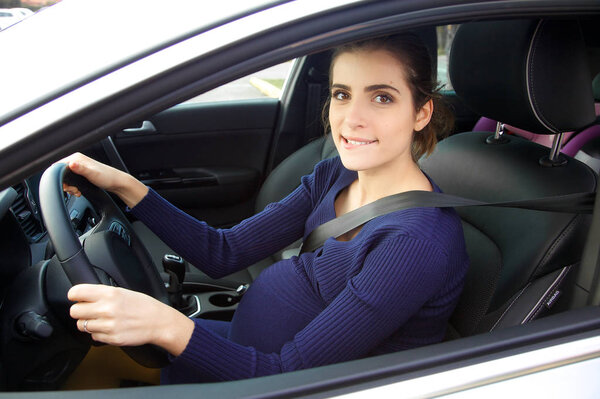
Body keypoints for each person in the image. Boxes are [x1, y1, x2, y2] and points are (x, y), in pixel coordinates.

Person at [63, 33, 469, 384]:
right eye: (342, 94)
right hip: (245, 355)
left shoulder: (414, 243)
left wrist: (164, 324)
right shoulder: (335, 175)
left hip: (276, 382)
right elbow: (223, 252)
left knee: (91, 359)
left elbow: (287, 375)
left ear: (421, 112)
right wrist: (126, 188)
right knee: (88, 350)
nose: (352, 119)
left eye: (382, 97)